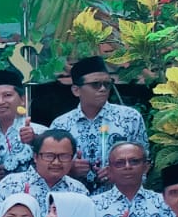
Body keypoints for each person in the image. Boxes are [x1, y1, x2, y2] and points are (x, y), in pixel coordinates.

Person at [51, 56, 149, 190]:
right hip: (75, 198)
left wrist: (119, 174)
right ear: (76, 90)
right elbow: (48, 168)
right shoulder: (60, 125)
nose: (103, 89)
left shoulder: (130, 118)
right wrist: (69, 169)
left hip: (118, 197)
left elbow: (144, 164)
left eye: (107, 84)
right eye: (95, 84)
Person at [0, 129, 87, 217]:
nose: (56, 162)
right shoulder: (10, 184)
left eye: (64, 156)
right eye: (49, 156)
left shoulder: (78, 191)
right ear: (35, 157)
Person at [0, 70, 42, 179]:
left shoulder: (41, 132)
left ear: (23, 99)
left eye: (7, 95)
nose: (0, 102)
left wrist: (36, 141)